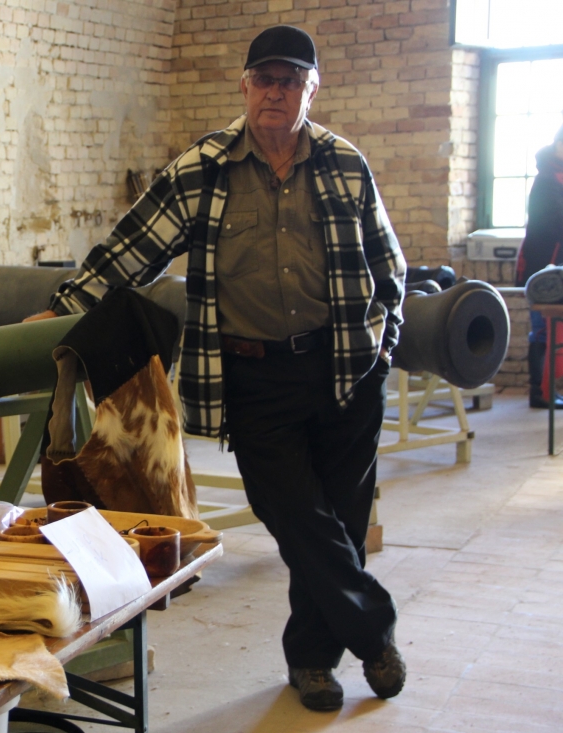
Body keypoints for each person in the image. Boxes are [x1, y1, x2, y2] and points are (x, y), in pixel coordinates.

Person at [26, 25, 407, 711]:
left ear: (312, 90)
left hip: (346, 370)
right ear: (244, 85)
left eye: (290, 81)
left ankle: (312, 663)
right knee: (296, 515)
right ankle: (374, 630)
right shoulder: (201, 168)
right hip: (255, 378)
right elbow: (129, 252)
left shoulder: (345, 164)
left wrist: (385, 344)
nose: (276, 92)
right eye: (265, 79)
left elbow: (390, 266)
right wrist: (61, 309)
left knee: (340, 523)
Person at [515, 125, 563, 408]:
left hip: (555, 265)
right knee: (543, 330)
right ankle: (540, 392)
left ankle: (549, 390)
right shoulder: (546, 180)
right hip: (544, 267)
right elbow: (552, 225)